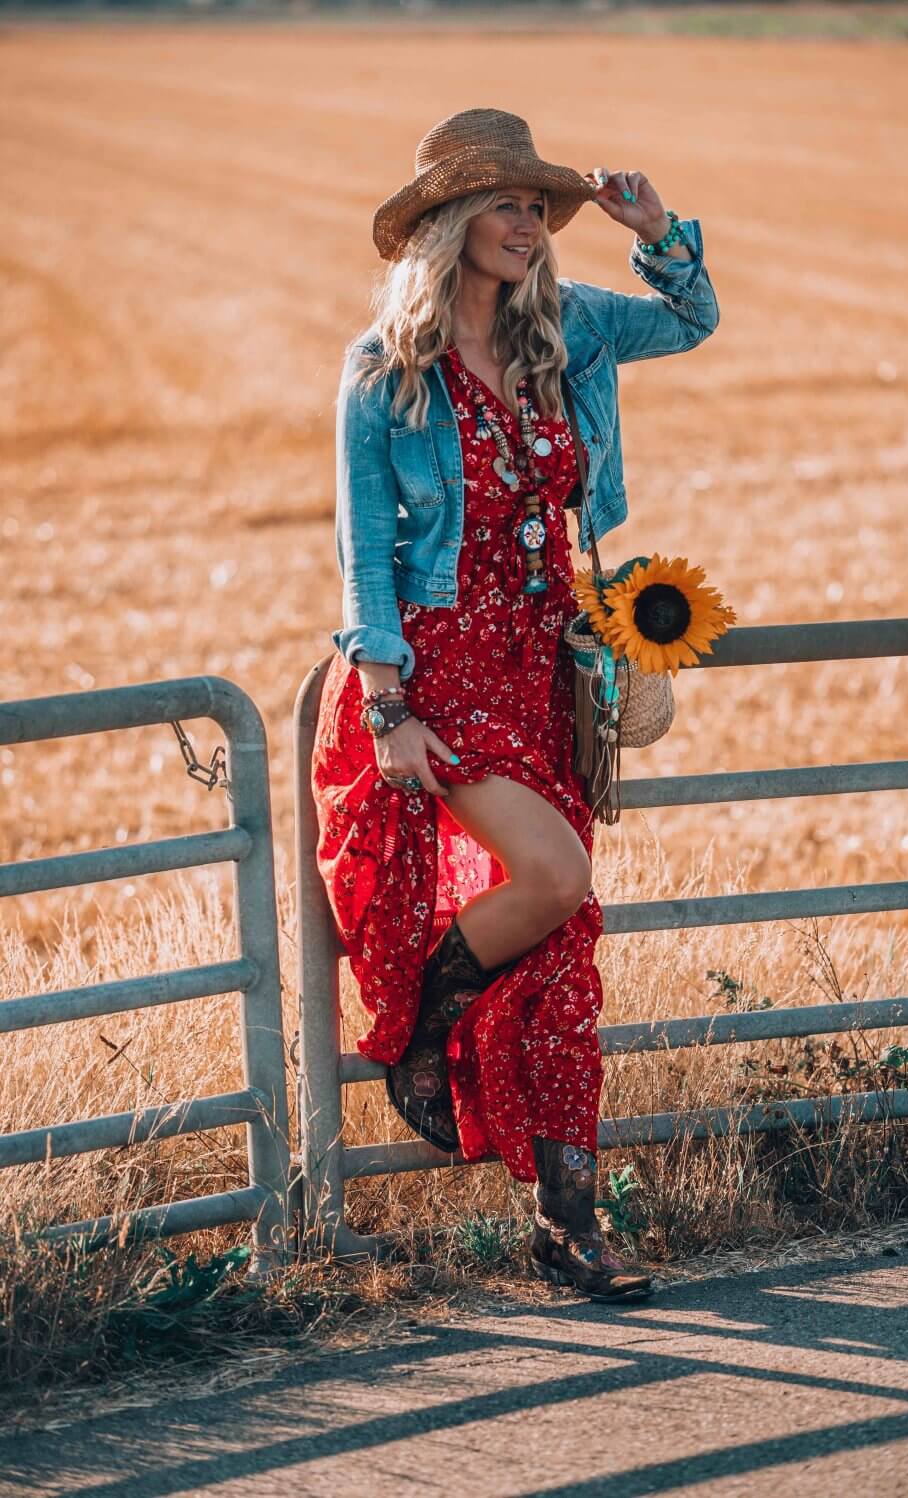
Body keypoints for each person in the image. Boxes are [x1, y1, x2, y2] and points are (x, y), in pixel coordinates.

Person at [312, 108, 720, 1302]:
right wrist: (388, 705)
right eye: (505, 203)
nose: (529, 223)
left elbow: (693, 321)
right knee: (554, 884)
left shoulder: (571, 330)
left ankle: (570, 1224)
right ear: (448, 225)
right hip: (439, 668)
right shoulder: (385, 368)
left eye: (538, 205)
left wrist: (659, 234)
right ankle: (429, 1026)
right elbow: (365, 552)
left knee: (560, 944)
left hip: (546, 668)